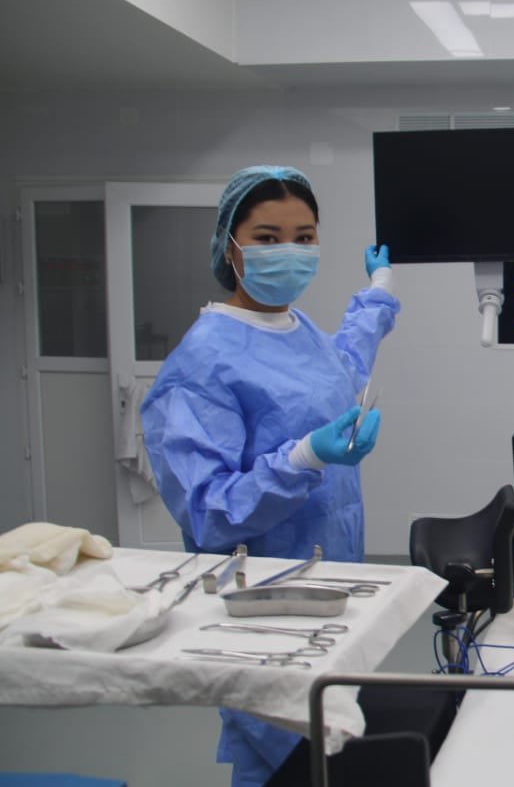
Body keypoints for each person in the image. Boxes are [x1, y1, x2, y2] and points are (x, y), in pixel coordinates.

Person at [141, 165, 400, 787]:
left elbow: (341, 365)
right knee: (280, 752)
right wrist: (304, 457)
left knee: (327, 743)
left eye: (304, 237)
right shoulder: (202, 361)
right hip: (259, 603)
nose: (290, 251)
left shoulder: (296, 327)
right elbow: (208, 512)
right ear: (230, 247)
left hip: (327, 583)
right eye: (267, 238)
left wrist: (379, 289)